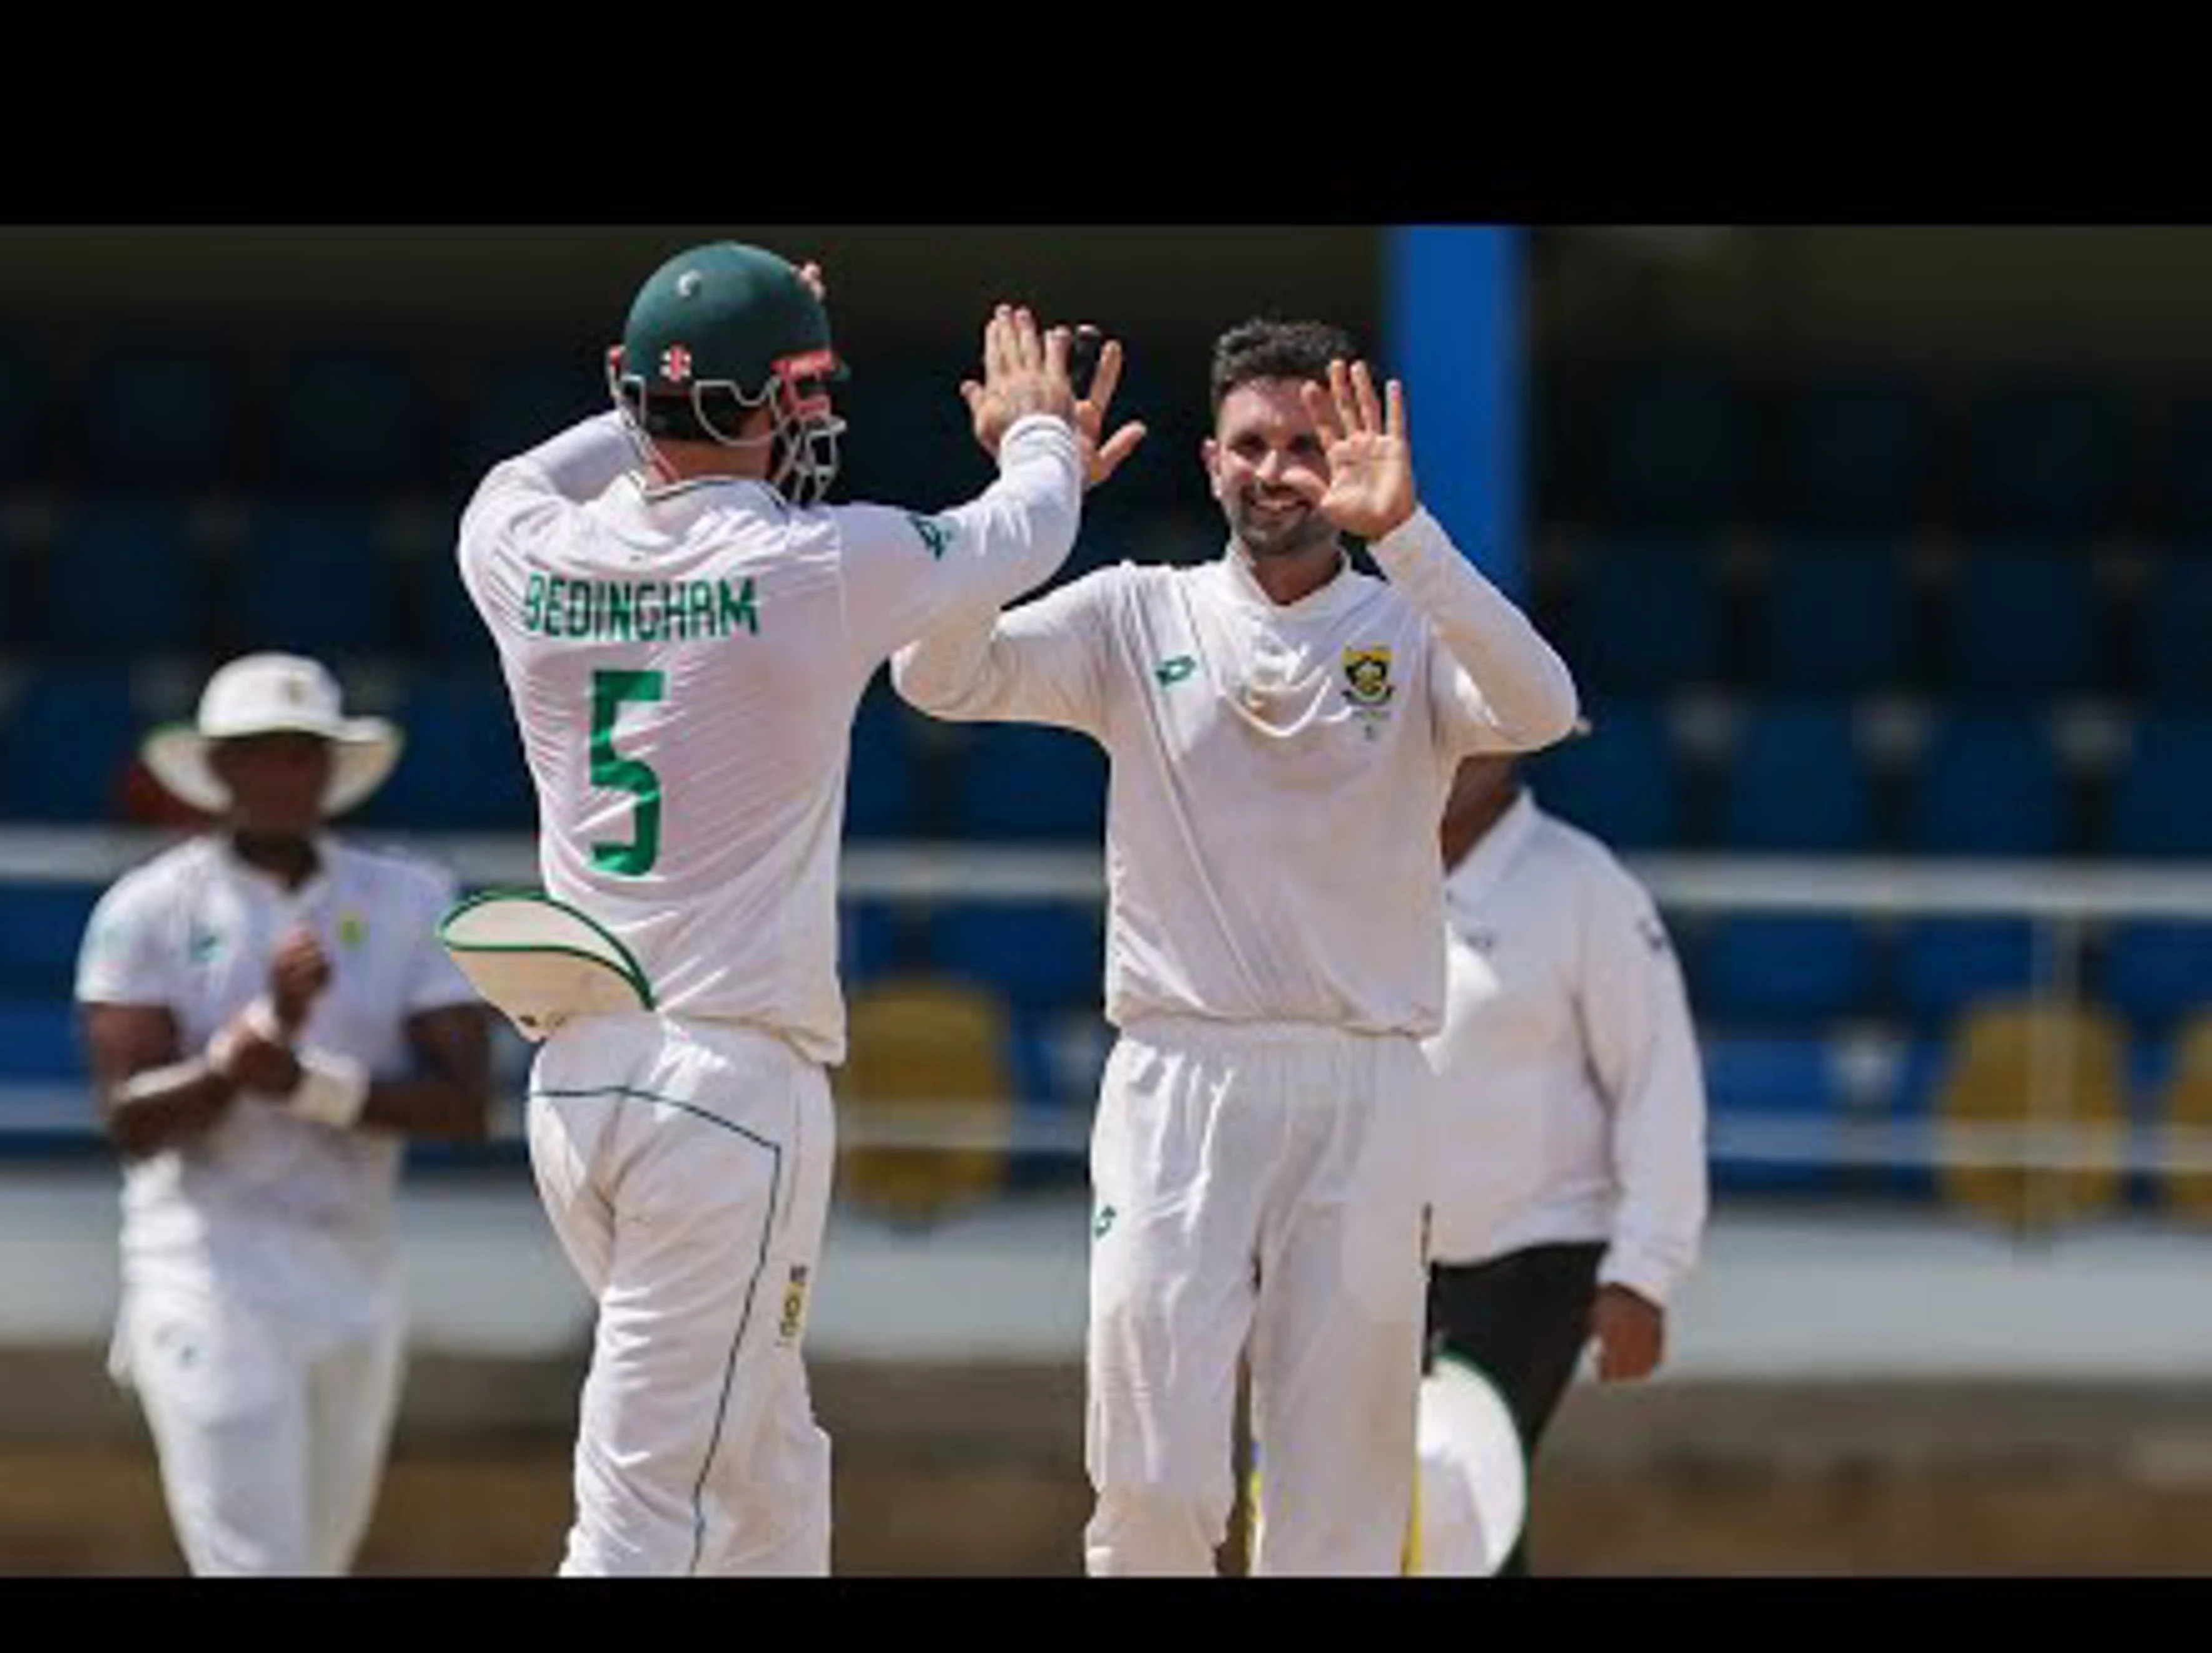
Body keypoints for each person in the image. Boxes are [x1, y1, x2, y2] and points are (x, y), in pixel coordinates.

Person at [451, 240, 1121, 1576]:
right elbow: (1028, 531)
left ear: (624, 393)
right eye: (798, 398)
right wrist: (1040, 428)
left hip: (578, 1081)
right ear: (773, 409)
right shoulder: (818, 562)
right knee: (646, 1508)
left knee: (765, 1465)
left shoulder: (516, 549)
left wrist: (684, 381)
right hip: (726, 1088)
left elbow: (541, 469)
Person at [892, 317, 1582, 1576]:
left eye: (1308, 447)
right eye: (1254, 446)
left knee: (1340, 1500)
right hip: (1179, 1076)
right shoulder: (1131, 615)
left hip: (1365, 1085)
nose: (1280, 472)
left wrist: (1409, 538)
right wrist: (1021, 495)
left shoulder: (1410, 626)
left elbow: (1542, 705)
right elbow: (932, 676)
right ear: (1212, 462)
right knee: (1152, 1479)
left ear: (1351, 460)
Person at [74, 652, 494, 1577]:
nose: (281, 775)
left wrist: (303, 1079)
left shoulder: (410, 896)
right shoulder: (148, 908)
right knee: (254, 1563)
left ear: (331, 767)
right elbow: (130, 1120)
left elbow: (468, 1104)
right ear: (218, 767)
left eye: (300, 753)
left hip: (354, 1265)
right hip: (205, 1262)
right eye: (257, 753)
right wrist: (251, 1046)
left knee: (319, 1554)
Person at [1421, 748, 1709, 1574]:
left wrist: (1642, 1274)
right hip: (1375, 1256)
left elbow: (1657, 1080)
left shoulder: (1584, 886)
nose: (1453, 746)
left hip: (1534, 1257)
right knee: (1369, 1502)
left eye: (1482, 725)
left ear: (1517, 739)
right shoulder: (1355, 861)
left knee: (1466, 1495)